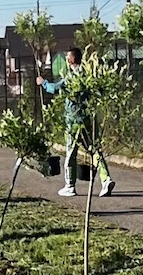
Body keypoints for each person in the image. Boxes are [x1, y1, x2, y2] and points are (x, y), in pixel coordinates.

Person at [37, 47, 116, 198]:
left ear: (72, 59)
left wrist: (44, 83)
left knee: (71, 153)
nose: (67, 60)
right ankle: (106, 179)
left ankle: (70, 185)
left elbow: (56, 88)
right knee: (94, 150)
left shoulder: (72, 77)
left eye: (68, 57)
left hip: (73, 120)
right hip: (87, 119)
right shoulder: (88, 75)